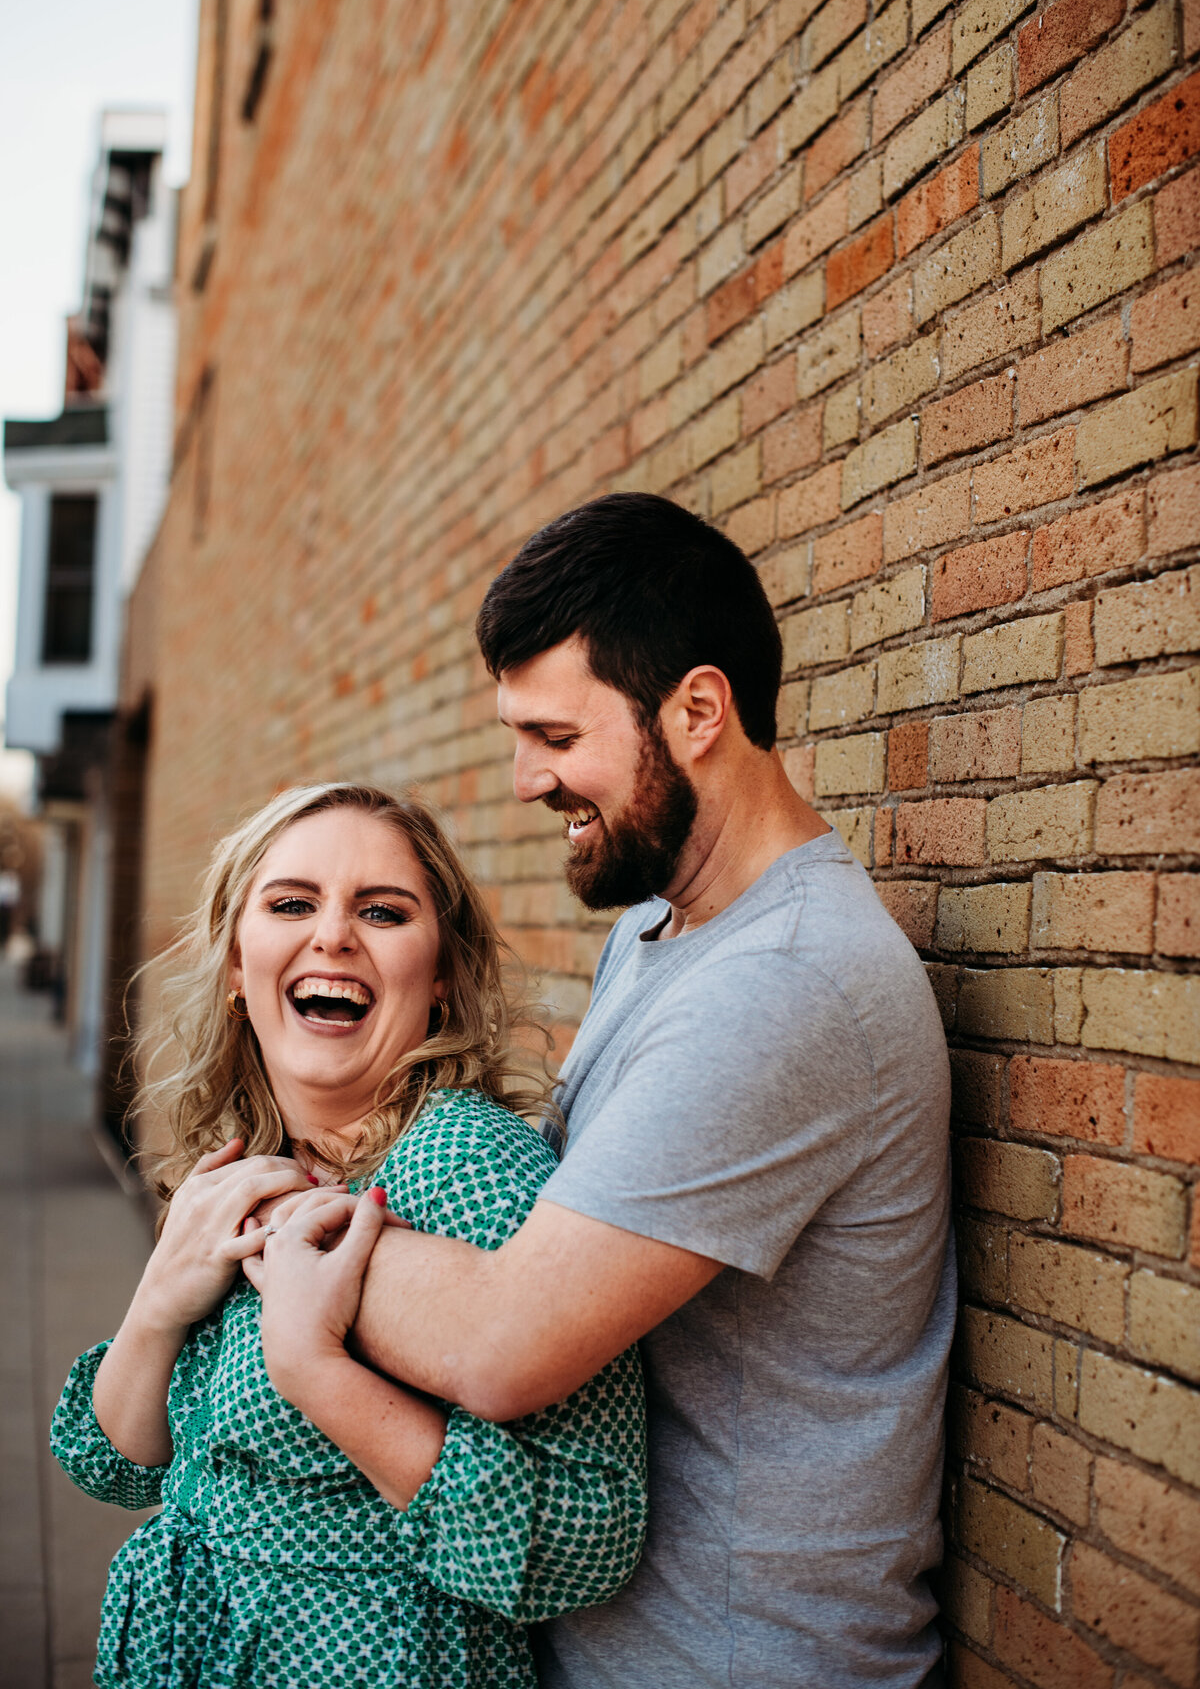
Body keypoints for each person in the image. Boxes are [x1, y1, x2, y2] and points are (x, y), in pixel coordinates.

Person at [331, 493, 954, 1688]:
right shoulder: (667, 929)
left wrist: (287, 1215)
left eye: (557, 739)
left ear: (699, 711)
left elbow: (501, 1340)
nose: (524, 781)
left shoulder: (785, 986)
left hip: (738, 1659)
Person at [50, 782, 646, 1689]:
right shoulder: (243, 1162)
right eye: (291, 904)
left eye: (383, 910)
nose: (332, 935)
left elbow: (583, 1536)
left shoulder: (466, 1165)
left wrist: (315, 1372)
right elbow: (116, 1467)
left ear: (441, 973)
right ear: (238, 972)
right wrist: (159, 1302)